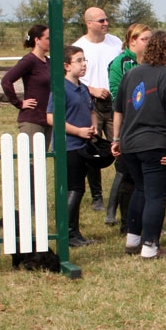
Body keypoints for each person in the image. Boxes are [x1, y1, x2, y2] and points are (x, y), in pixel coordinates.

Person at [110, 31, 166, 259]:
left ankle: (133, 240)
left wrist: (116, 139)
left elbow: (118, 110)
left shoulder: (131, 74)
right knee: (156, 195)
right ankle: (150, 247)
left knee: (140, 189)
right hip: (156, 143)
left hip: (130, 143)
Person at [47, 46, 98, 247]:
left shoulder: (83, 88)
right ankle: (66, 233)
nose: (84, 64)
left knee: (78, 188)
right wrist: (78, 131)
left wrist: (93, 126)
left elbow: (91, 110)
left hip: (83, 145)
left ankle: (75, 233)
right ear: (66, 66)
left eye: (84, 60)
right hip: (69, 146)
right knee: (74, 189)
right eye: (79, 60)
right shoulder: (61, 88)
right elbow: (51, 117)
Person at [73, 7, 123, 211]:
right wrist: (91, 89)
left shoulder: (116, 42)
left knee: (118, 145)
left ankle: (120, 190)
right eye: (101, 20)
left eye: (107, 20)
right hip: (91, 103)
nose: (106, 23)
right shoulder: (78, 47)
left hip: (113, 103)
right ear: (89, 23)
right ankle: (97, 196)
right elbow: (72, 78)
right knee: (93, 148)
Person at [103, 23, 152, 229]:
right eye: (145, 39)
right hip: (129, 122)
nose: (149, 43)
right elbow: (118, 94)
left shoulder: (151, 63)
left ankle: (140, 218)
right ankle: (121, 218)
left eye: (151, 39)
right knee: (126, 171)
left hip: (147, 123)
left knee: (143, 174)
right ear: (132, 41)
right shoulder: (121, 63)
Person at [0, 24, 52, 149]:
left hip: (48, 118)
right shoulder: (29, 60)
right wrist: (19, 103)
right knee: (33, 161)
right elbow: (6, 80)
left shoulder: (48, 62)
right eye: (48, 38)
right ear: (37, 40)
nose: (51, 42)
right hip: (32, 119)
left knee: (41, 161)